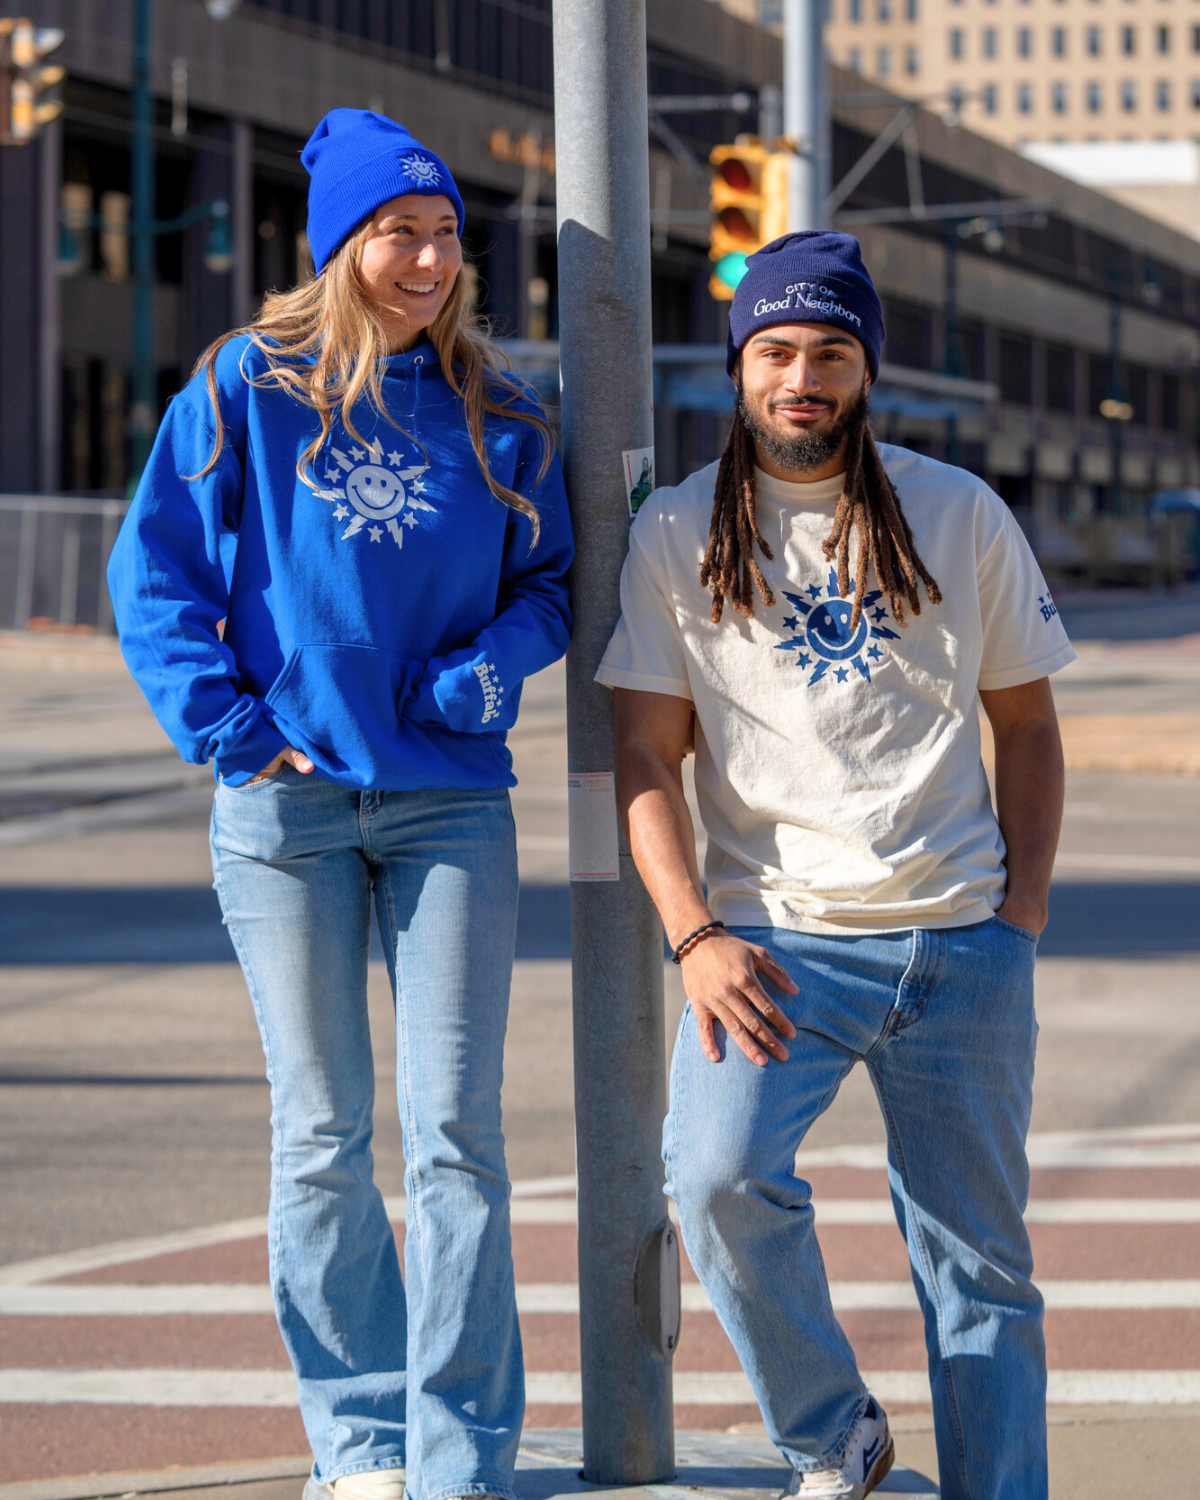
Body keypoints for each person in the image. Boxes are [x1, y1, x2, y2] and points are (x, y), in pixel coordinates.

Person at [108, 110, 573, 1500]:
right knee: (321, 1140)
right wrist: (236, 735)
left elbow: (550, 587)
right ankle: (362, 1441)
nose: (427, 258)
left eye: (443, 235)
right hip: (287, 815)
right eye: (398, 232)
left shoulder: (505, 412)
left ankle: (457, 1457)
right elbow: (156, 578)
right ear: (340, 247)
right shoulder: (246, 386)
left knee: (456, 1140)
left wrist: (489, 669)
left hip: (449, 815)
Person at [597, 232, 1072, 1500]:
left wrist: (1018, 914)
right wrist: (695, 933)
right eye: (776, 351)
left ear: (865, 371)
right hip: (772, 945)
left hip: (958, 944)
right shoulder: (679, 533)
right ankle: (831, 1430)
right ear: (739, 366)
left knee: (979, 1268)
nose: (800, 376)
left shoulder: (959, 512)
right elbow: (644, 754)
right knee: (712, 1178)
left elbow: (1026, 724)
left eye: (829, 352)